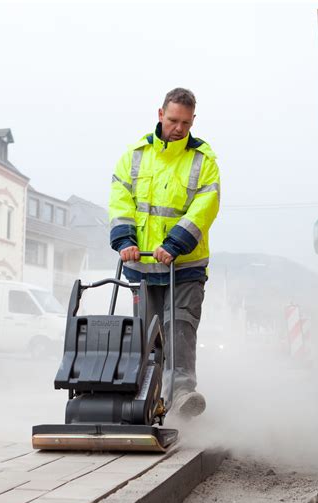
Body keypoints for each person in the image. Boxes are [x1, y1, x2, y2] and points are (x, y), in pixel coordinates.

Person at [109, 88, 220, 417]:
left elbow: (204, 208)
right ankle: (146, 395)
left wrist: (174, 245)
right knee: (147, 333)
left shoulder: (203, 161)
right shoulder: (135, 155)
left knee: (179, 327)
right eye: (173, 120)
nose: (178, 128)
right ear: (160, 114)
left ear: (193, 121)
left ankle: (183, 393)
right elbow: (120, 200)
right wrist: (124, 240)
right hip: (142, 265)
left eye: (186, 122)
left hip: (184, 266)